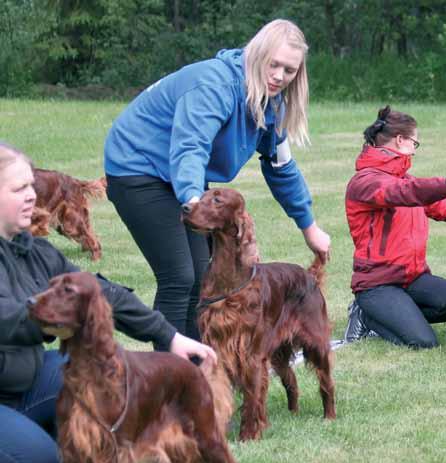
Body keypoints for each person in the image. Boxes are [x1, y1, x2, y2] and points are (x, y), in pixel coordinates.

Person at [0, 142, 216, 463]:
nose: (33, 195)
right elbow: (11, 318)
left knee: (108, 384)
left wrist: (168, 335)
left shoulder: (34, 251)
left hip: (24, 383)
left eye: (31, 185)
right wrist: (62, 321)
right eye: (19, 189)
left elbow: (98, 290)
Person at [103, 19, 330, 344]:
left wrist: (309, 227)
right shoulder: (215, 85)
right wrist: (195, 200)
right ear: (256, 55)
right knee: (179, 276)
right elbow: (190, 147)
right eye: (273, 64)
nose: (280, 76)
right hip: (136, 166)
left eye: (290, 70)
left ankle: (199, 371)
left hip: (181, 176)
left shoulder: (272, 104)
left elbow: (281, 167)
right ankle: (170, 380)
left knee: (203, 277)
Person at [342, 106, 446, 349]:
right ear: (400, 140)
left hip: (412, 278)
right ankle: (367, 315)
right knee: (424, 342)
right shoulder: (365, 182)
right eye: (415, 143)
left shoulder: (405, 180)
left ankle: (399, 314)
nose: (414, 150)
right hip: (377, 284)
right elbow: (403, 193)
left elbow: (443, 207)